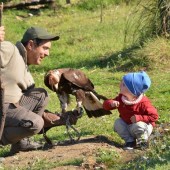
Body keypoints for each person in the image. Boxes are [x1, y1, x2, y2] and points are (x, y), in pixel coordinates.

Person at [0, 26, 79, 154]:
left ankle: (20, 143)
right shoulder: (10, 49)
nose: (48, 53)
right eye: (45, 48)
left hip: (9, 109)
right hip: (2, 106)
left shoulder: (24, 66)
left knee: (40, 95)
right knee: (36, 123)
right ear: (31, 45)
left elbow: (31, 109)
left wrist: (61, 119)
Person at [103, 71, 159, 150]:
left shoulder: (144, 102)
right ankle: (130, 141)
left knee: (138, 125)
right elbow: (105, 106)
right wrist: (111, 103)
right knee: (118, 123)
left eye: (123, 84)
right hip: (128, 126)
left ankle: (142, 141)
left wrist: (139, 118)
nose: (119, 85)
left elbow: (154, 116)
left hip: (143, 127)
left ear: (132, 90)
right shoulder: (121, 99)